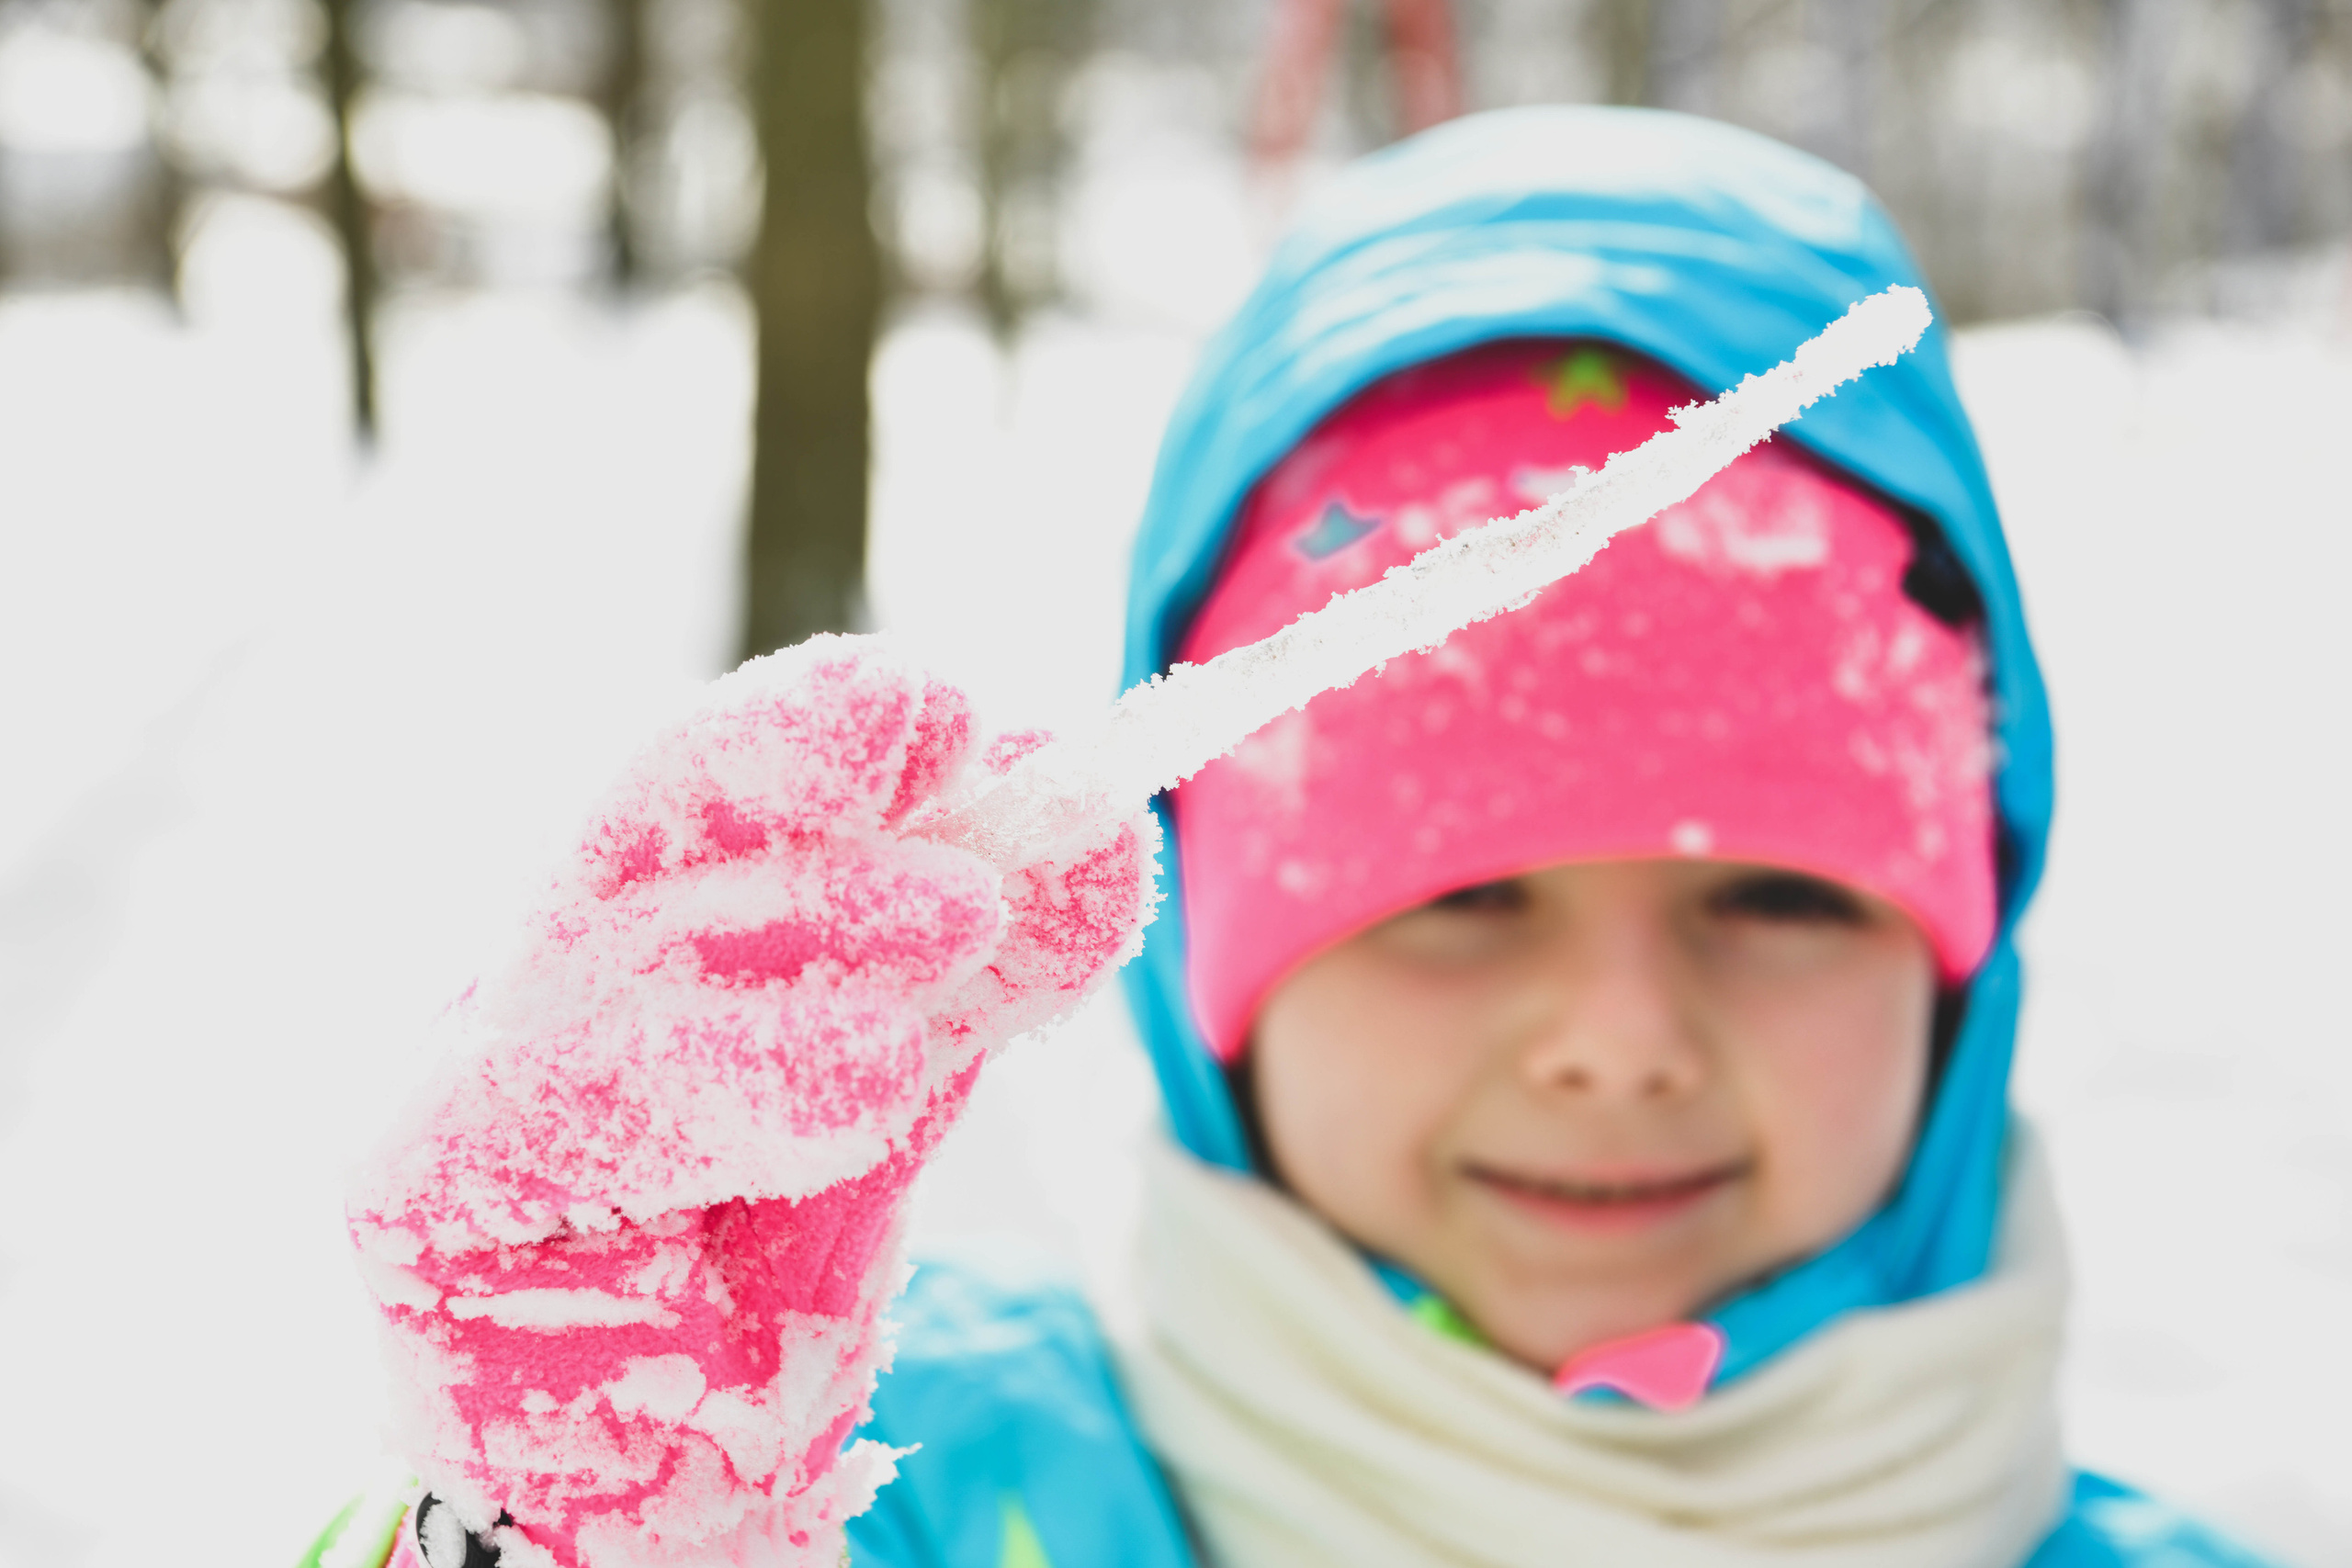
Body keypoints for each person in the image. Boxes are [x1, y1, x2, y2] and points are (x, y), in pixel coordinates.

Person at [317, 107, 2279, 1568]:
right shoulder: (863, 1498)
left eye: (1773, 893)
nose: (1617, 1037)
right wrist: (527, 1545)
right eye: (1464, 897)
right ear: (1209, 957)